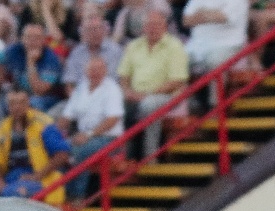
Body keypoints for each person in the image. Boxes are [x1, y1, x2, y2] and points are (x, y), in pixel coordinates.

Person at [0, 87, 69, 202]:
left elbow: (62, 154)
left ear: (28, 103)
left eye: (21, 102)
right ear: (7, 106)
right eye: (12, 103)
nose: (17, 107)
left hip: (40, 178)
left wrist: (37, 176)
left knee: (12, 193)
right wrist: (0, 184)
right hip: (10, 178)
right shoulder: (3, 127)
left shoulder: (43, 123)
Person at [116, 8, 186, 159]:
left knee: (149, 105)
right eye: (149, 25)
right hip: (135, 95)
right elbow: (123, 76)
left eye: (156, 24)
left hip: (167, 96)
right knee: (114, 103)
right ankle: (120, 155)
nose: (152, 28)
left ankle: (150, 156)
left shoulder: (175, 46)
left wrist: (147, 95)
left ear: (165, 27)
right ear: (143, 28)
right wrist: (127, 91)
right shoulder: (133, 45)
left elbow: (177, 81)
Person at [56, 54, 123, 200]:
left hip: (108, 138)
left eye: (99, 69)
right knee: (57, 149)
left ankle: (77, 196)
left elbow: (112, 119)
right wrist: (52, 133)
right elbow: (67, 115)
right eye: (92, 69)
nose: (95, 72)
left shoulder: (112, 89)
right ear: (86, 71)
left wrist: (89, 134)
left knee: (80, 151)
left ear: (105, 71)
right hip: (83, 136)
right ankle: (61, 194)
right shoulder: (81, 88)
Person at [0, 23, 63, 113]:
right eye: (28, 37)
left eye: (37, 37)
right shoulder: (16, 49)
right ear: (22, 39)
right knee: (0, 102)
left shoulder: (51, 59)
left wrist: (31, 62)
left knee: (32, 103)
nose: (32, 41)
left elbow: (39, 91)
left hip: (47, 97)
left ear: (44, 40)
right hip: (20, 93)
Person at [181, 0, 247, 80]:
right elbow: (186, 21)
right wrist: (211, 14)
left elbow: (224, 17)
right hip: (197, 44)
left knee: (213, 61)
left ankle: (216, 89)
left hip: (228, 44)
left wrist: (201, 13)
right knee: (177, 60)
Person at [60, 10, 122, 90]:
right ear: (83, 33)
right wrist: (74, 96)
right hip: (80, 93)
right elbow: (69, 82)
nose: (95, 33)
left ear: (104, 31)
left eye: (98, 29)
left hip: (107, 93)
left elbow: (115, 80)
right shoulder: (76, 52)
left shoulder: (115, 51)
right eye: (90, 30)